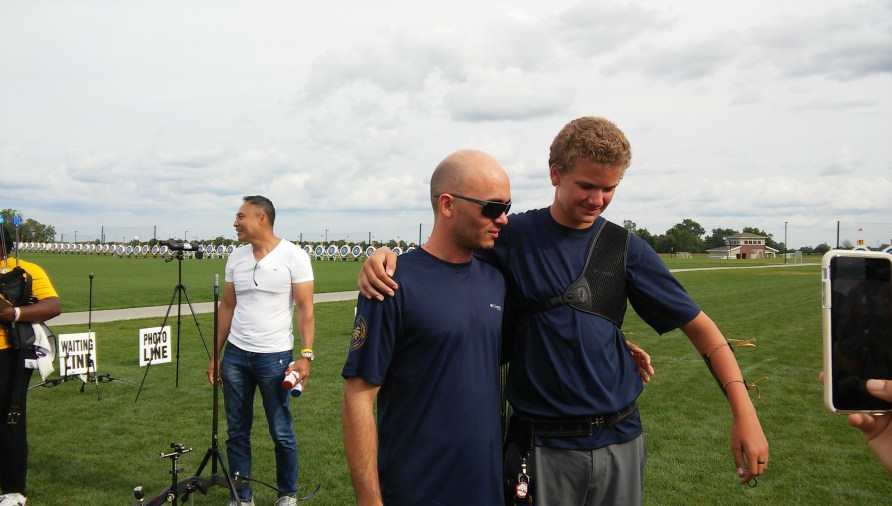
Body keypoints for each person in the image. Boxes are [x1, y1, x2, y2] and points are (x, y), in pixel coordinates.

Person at [358, 117, 769, 505]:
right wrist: (384, 257)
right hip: (542, 448)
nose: (598, 200)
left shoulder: (624, 248)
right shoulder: (511, 236)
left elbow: (702, 329)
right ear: (555, 173)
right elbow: (446, 257)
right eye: (587, 186)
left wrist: (744, 412)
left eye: (609, 188)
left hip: (620, 439)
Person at [341, 150, 512, 505]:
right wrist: (369, 501)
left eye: (507, 207)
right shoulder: (391, 282)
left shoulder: (496, 279)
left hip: (487, 488)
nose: (503, 219)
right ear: (447, 205)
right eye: (493, 208)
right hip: (417, 490)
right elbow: (358, 398)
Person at [207, 196, 315, 506]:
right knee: (237, 432)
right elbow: (227, 306)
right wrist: (216, 355)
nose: (235, 223)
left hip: (275, 358)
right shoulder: (236, 257)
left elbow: (305, 310)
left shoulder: (294, 256)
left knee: (281, 432)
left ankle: (287, 495)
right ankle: (242, 498)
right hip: (236, 357)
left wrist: (306, 355)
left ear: (262, 218)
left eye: (241, 216)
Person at [0, 225, 61, 506]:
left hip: (5, 355)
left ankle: (13, 493)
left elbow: (53, 306)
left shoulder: (26, 270)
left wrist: (14, 313)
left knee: (7, 423)